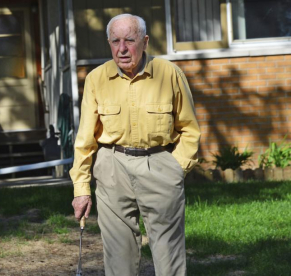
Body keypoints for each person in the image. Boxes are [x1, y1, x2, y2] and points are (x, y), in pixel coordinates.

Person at [69, 13, 201, 276]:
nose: (122, 49)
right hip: (112, 167)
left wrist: (176, 169)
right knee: (119, 258)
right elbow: (85, 140)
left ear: (145, 41)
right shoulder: (96, 79)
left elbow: (189, 129)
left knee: (169, 254)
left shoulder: (170, 74)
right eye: (115, 41)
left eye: (130, 40)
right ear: (108, 43)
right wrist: (81, 188)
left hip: (160, 165)